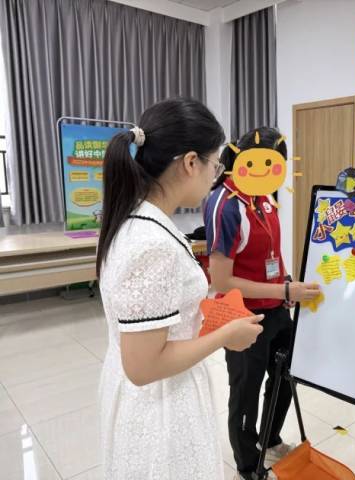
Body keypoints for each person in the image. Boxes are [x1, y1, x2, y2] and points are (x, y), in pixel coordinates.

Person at [97, 98, 265, 480]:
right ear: (191, 162)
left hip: (153, 395)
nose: (215, 177)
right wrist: (226, 335)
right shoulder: (151, 243)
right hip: (161, 407)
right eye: (215, 164)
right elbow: (143, 366)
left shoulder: (137, 220)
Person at [204, 127, 321, 480]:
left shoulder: (265, 197)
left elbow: (272, 253)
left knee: (286, 374)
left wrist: (285, 284)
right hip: (243, 315)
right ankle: (247, 465)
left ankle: (269, 439)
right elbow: (221, 281)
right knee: (246, 391)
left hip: (276, 309)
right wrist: (283, 292)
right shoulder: (224, 204)